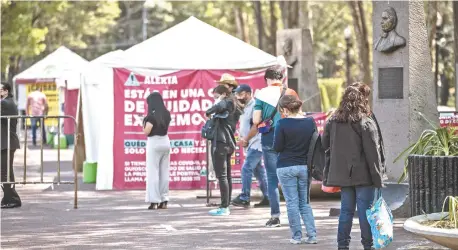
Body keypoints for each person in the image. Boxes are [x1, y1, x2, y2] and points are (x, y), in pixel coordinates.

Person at [322, 83, 387, 250]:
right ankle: (368, 245)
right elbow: (373, 154)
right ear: (362, 101)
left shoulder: (333, 121)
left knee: (346, 211)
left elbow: (325, 145)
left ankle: (342, 245)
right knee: (366, 212)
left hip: (343, 175)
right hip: (363, 175)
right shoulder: (365, 123)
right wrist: (378, 179)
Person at [253, 66, 299, 227]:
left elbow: (256, 119)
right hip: (289, 138)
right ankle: (295, 215)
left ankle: (275, 216)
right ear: (281, 78)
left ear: (267, 79)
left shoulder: (261, 94)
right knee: (291, 176)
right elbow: (299, 115)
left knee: (272, 178)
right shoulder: (291, 93)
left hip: (269, 138)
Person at [273, 95, 317, 244]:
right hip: (305, 166)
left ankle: (296, 237)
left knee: (292, 202)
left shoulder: (282, 123)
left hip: (285, 166)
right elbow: (315, 143)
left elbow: (277, 147)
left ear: (285, 109)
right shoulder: (310, 122)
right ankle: (312, 235)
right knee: (304, 202)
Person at [205, 85, 242, 216]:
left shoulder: (226, 103)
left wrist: (216, 103)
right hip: (229, 143)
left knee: (222, 176)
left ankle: (224, 207)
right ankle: (226, 204)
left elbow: (211, 110)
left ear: (223, 94)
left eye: (216, 95)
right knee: (227, 176)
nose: (215, 98)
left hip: (221, 142)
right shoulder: (234, 105)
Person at [231, 84, 269, 208]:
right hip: (251, 143)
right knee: (259, 171)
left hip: (256, 143)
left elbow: (255, 126)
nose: (238, 97)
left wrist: (246, 139)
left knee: (246, 168)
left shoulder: (254, 106)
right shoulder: (246, 107)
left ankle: (244, 197)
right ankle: (268, 197)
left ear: (247, 94)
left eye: (240, 94)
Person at [143, 92, 172, 210]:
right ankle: (164, 199)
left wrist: (143, 123)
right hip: (165, 141)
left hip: (154, 142)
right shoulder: (166, 114)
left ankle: (154, 200)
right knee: (164, 172)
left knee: (153, 172)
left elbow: (147, 132)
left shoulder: (151, 116)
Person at [1, 82, 21, 209]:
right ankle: (9, 197)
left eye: (0, 89)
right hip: (7, 141)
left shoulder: (4, 103)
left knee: (4, 172)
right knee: (6, 171)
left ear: (6, 91)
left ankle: (12, 198)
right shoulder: (7, 102)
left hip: (6, 142)